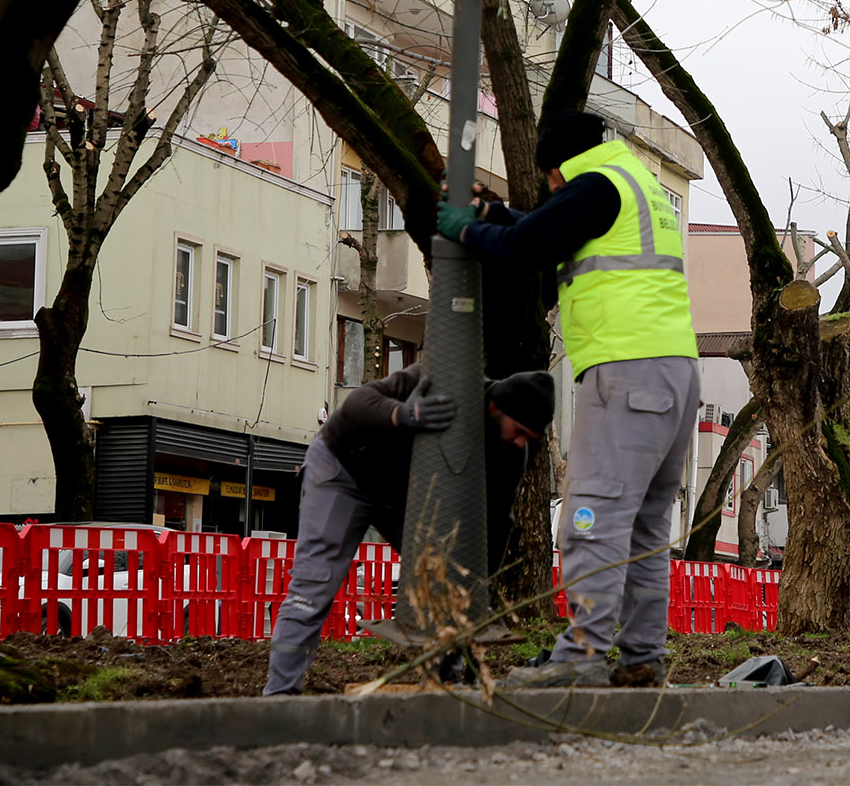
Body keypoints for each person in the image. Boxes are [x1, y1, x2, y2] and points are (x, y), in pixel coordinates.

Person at [437, 110, 701, 689]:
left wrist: (466, 228)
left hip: (626, 373)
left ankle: (580, 657)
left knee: (593, 519)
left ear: (556, 170)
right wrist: (497, 214)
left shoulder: (594, 186)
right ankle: (639, 657)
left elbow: (527, 247)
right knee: (644, 531)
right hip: (674, 374)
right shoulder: (634, 183)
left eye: (549, 181)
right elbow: (547, 228)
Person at [261, 366, 555, 696]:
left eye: (529, 437)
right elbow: (358, 403)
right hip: (344, 469)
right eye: (518, 431)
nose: (520, 443)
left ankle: (445, 683)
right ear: (495, 408)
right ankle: (280, 697)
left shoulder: (512, 451)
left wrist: (479, 584)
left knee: (450, 584)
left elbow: (500, 519)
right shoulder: (439, 382)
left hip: (405, 497)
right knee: (314, 583)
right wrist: (402, 413)